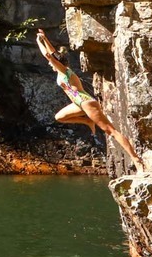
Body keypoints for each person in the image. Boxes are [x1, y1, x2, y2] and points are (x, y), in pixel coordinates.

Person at [36, 29, 145, 172]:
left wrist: (38, 42)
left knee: (110, 131)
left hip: (86, 102)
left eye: (53, 62)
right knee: (59, 117)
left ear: (58, 63)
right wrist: (45, 38)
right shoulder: (63, 68)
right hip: (77, 104)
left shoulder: (64, 71)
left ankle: (136, 160)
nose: (50, 64)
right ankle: (87, 121)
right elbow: (54, 54)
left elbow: (49, 56)